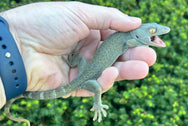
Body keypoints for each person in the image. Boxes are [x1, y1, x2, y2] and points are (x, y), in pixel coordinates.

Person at [0, 2, 157, 109]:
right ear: (138, 32)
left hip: (82, 71)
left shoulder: (127, 38)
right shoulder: (128, 39)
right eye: (151, 31)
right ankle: (97, 104)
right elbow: (131, 44)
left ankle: (72, 62)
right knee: (96, 88)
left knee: (83, 63)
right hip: (85, 77)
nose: (153, 32)